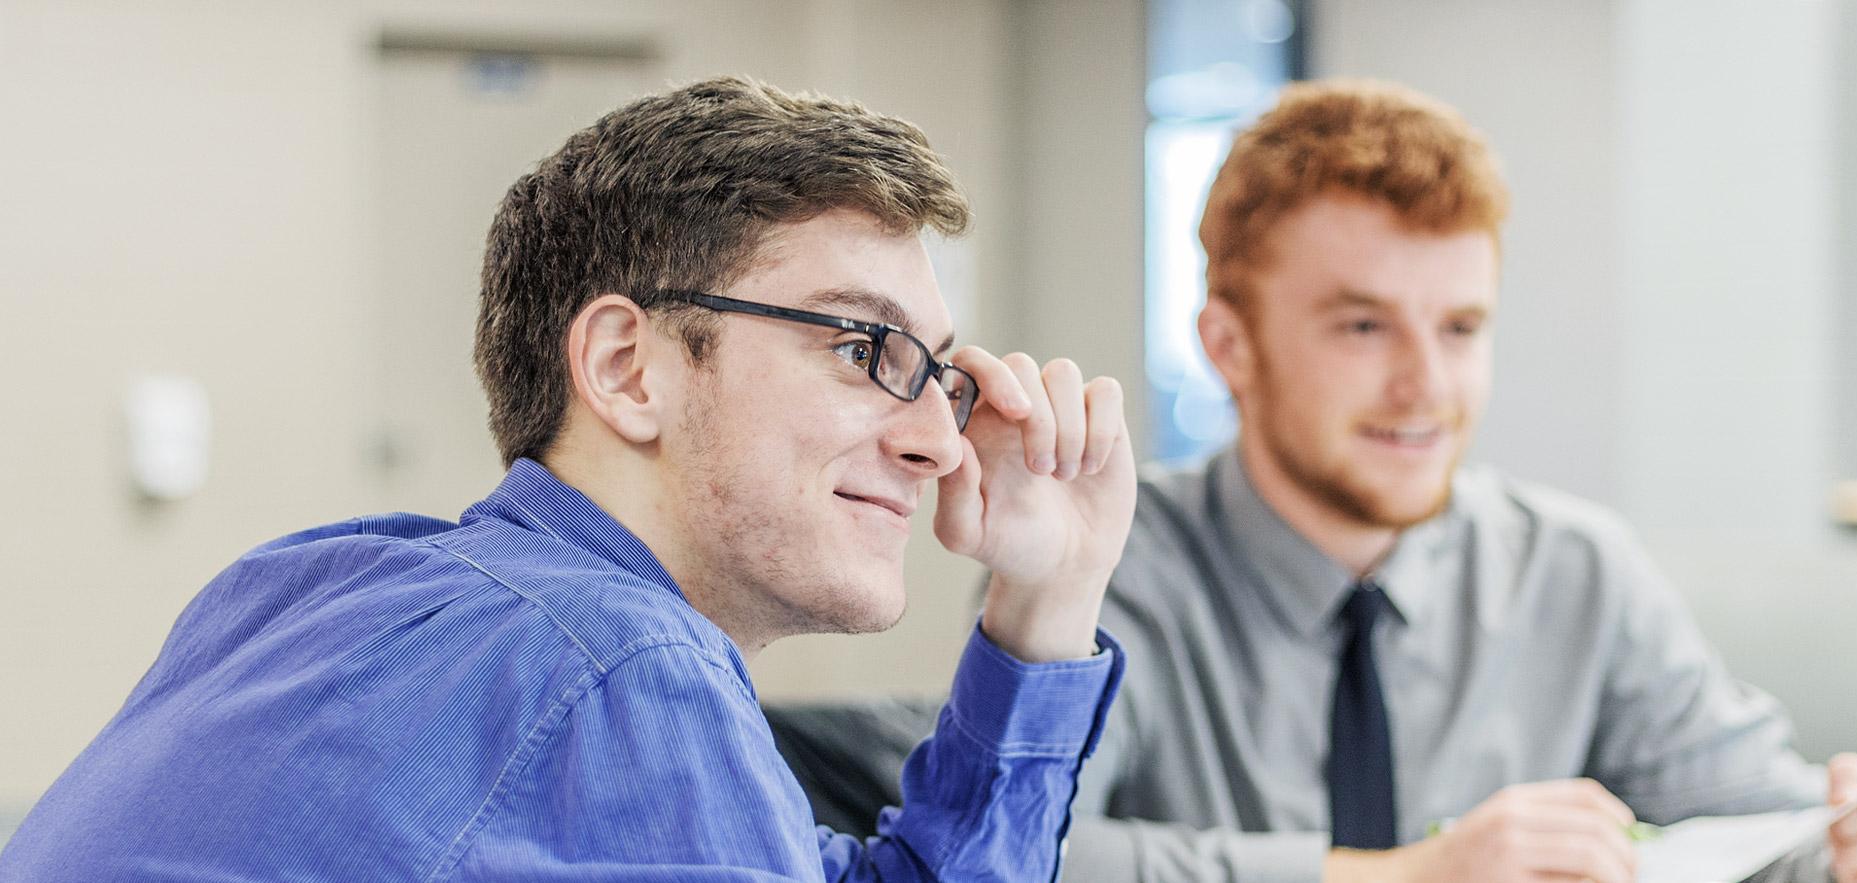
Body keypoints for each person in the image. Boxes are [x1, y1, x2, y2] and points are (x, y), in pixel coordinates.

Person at [0, 76, 1137, 882]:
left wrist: (1050, 597)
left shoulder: (313, 583)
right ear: (625, 367)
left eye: (940, 374)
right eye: (861, 350)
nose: (942, 439)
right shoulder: (621, 669)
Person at [1060, 78, 1857, 883]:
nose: (1427, 385)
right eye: (1364, 326)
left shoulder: (1576, 569)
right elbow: (1019, 850)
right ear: (1229, 347)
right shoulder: (1101, 565)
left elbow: (1772, 829)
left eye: (1461, 327)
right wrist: (1402, 876)